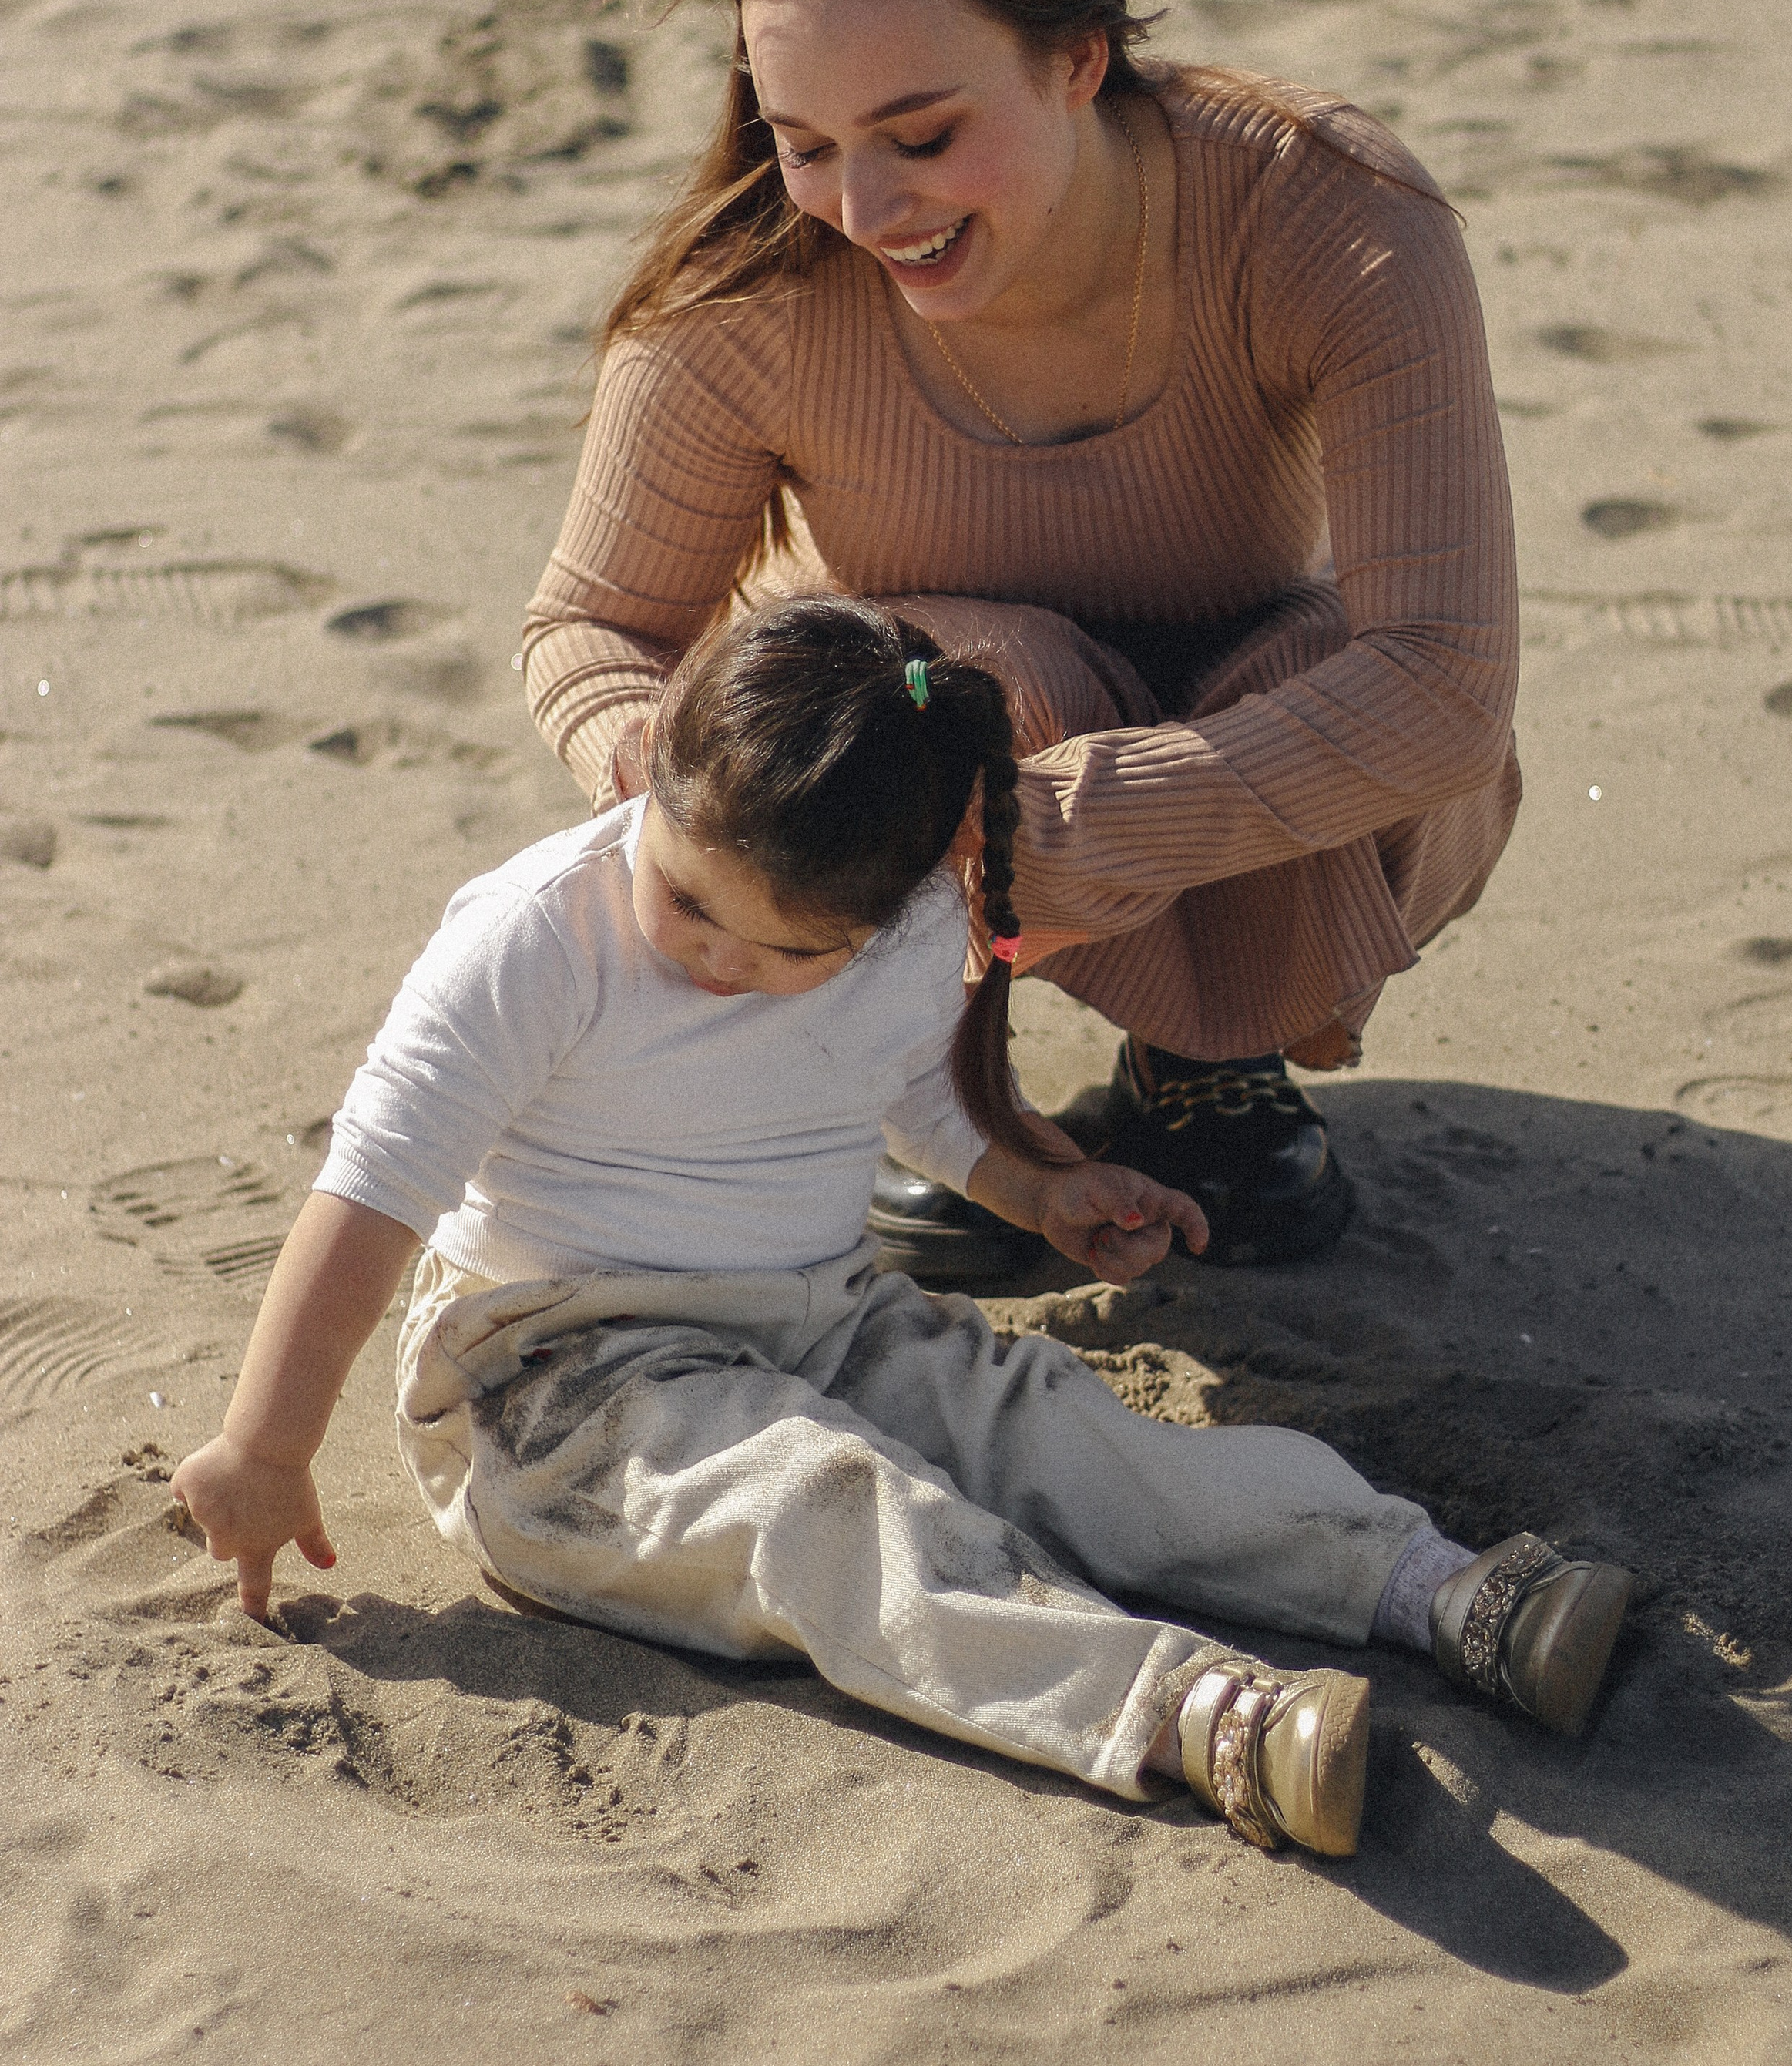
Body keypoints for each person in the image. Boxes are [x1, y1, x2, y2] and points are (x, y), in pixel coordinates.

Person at [173, 599, 1629, 1863]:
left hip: (825, 1313)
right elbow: (370, 1196)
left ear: (901, 903)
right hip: (563, 1389)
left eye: (792, 951)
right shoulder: (527, 943)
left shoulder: (921, 928)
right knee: (832, 1514)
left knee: (1059, 1433)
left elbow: (909, 1087)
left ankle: (1424, 1582)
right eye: (686, 900)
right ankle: (1192, 1710)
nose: (723, 961)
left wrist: (1037, 1188)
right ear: (656, 764)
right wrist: (265, 1442)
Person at [519, 0, 1522, 1275]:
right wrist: (714, 807)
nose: (861, 206)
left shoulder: (1325, 210)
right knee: (961, 668)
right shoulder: (752, 293)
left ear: (1076, 57)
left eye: (920, 135)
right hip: (921, 767)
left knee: (1327, 659)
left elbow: (1443, 677)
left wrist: (1051, 839)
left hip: (1220, 748)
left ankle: (1210, 1061)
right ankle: (932, 1076)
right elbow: (588, 627)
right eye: (801, 138)